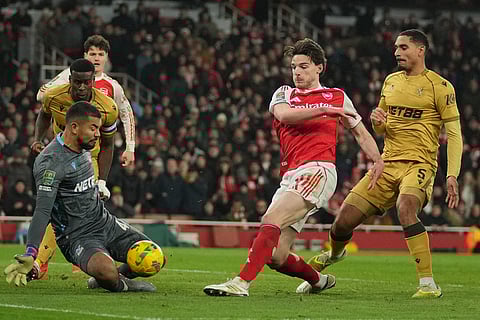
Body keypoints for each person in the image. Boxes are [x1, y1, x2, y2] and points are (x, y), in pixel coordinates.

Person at [203, 38, 384, 297]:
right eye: (293, 67)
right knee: (276, 256)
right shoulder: (284, 93)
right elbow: (284, 116)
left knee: (270, 220)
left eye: (304, 66)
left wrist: (378, 160)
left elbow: (361, 133)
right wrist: (324, 110)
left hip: (317, 170)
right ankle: (318, 280)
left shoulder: (337, 96)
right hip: (290, 175)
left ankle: (241, 283)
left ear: (319, 67)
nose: (297, 72)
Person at [304, 29, 463, 299]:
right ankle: (334, 254)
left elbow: (455, 134)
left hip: (420, 163)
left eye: (403, 47)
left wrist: (452, 175)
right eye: (396, 48)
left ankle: (427, 283)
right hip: (387, 163)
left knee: (406, 207)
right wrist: (378, 123)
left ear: (420, 50)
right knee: (342, 223)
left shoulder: (441, 86)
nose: (396, 52)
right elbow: (381, 127)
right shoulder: (390, 82)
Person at [4, 101, 157, 292]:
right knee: (106, 271)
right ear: (74, 128)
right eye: (93, 128)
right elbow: (43, 211)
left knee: (155, 257)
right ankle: (120, 284)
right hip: (76, 236)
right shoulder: (50, 163)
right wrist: (31, 252)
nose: (98, 133)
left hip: (104, 222)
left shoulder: (85, 148)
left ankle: (107, 278)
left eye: (98, 128)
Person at [31, 58, 118, 279]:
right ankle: (40, 261)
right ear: (70, 79)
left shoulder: (107, 108)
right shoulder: (53, 96)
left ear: (93, 82)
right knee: (52, 207)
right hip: (59, 159)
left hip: (90, 162)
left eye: (86, 82)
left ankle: (84, 257)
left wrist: (102, 181)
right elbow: (44, 114)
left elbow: (108, 145)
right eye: (76, 82)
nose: (80, 87)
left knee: (77, 212)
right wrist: (37, 138)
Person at [36, 34, 136, 167]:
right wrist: (64, 92)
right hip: (63, 147)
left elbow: (127, 115)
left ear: (106, 57)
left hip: (93, 151)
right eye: (92, 54)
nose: (96, 58)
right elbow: (41, 95)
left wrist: (130, 148)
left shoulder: (113, 86)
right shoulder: (68, 77)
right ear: (85, 55)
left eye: (101, 54)